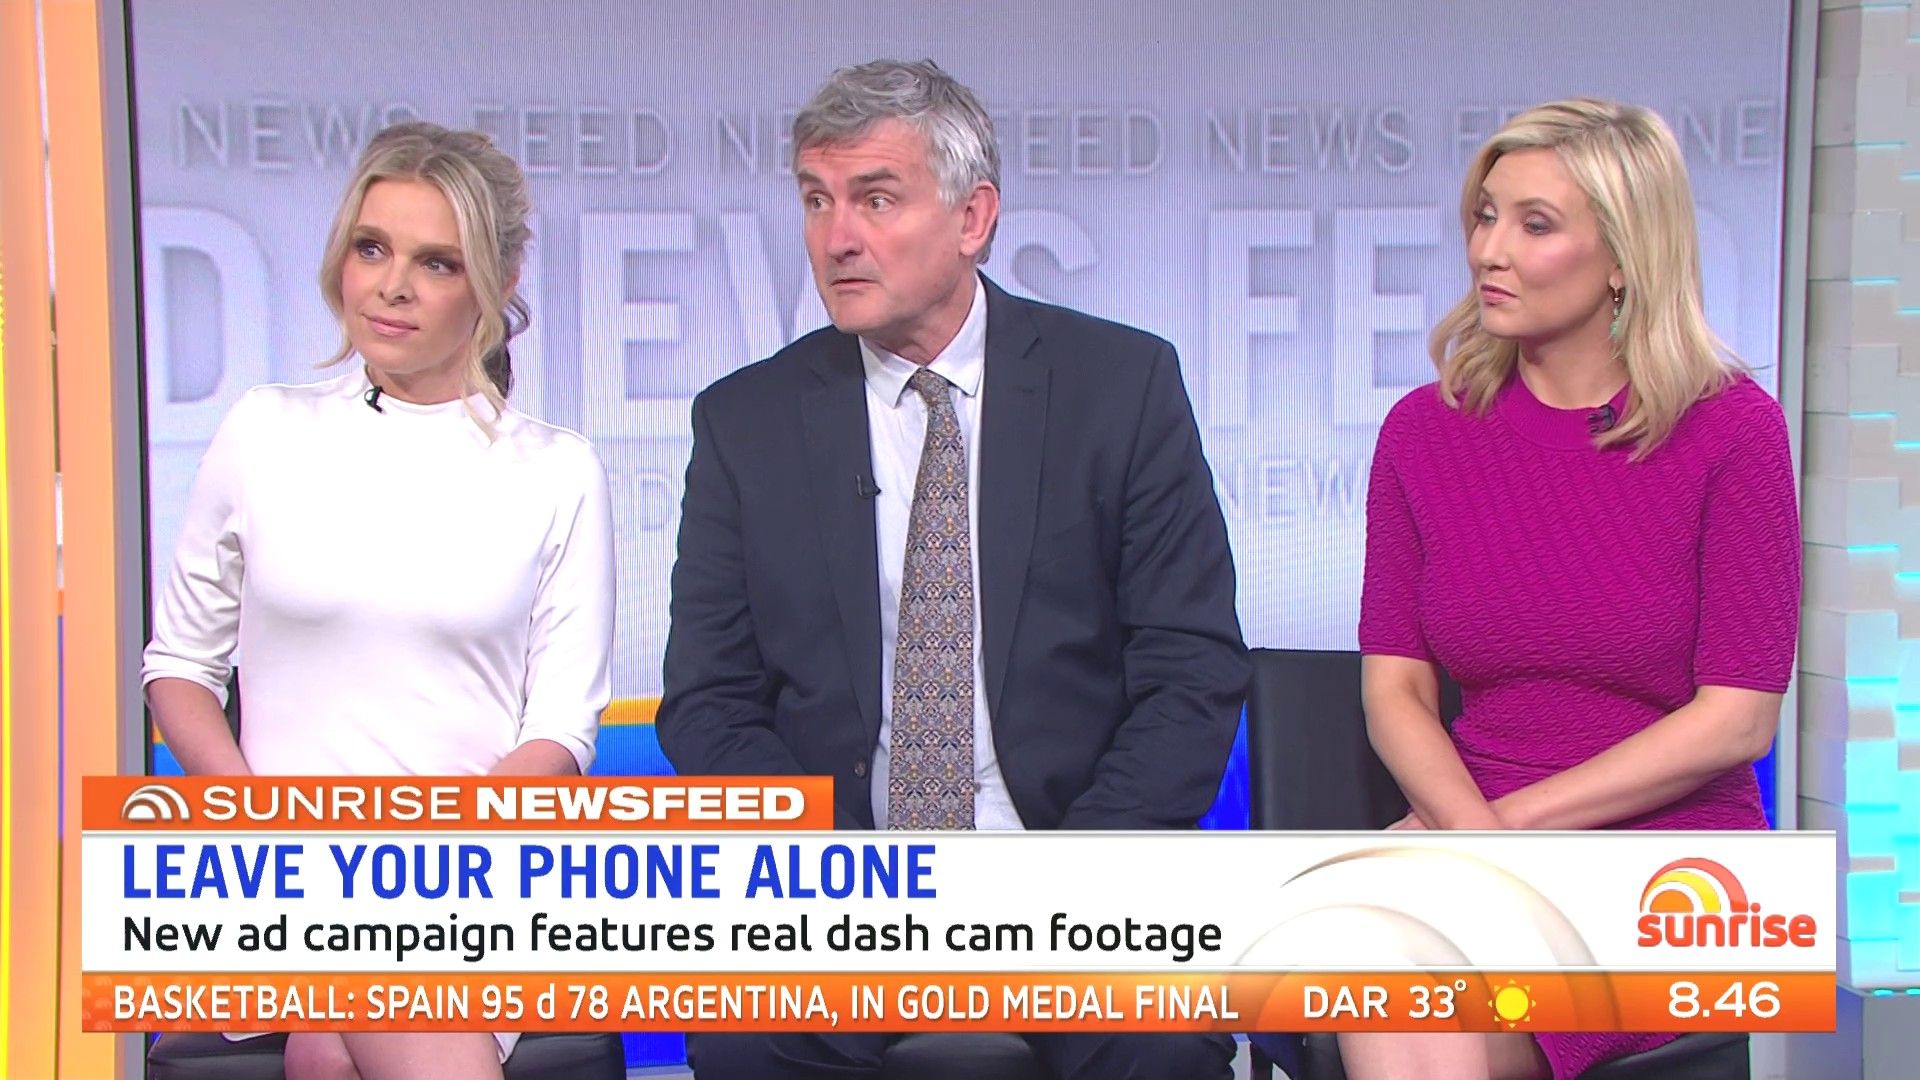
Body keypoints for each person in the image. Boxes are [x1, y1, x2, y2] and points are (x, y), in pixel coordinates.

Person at [657, 59, 1246, 1079]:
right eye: (816, 200)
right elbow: (709, 701)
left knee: (1157, 1040)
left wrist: (1068, 887)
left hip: (1079, 876)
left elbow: (1191, 673)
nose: (836, 237)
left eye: (876, 199)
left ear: (973, 218)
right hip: (840, 892)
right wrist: (836, 877)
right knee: (747, 1034)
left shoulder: (1120, 386)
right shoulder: (745, 422)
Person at [141, 121, 615, 1080]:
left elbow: (561, 732)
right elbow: (179, 668)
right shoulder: (264, 431)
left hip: (471, 881)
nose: (392, 285)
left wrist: (421, 865)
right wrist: (260, 823)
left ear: (494, 284)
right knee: (351, 1005)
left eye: (435, 262)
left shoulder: (556, 470)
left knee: (345, 1025)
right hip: (276, 867)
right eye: (372, 248)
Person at [1349, 99, 1800, 1079]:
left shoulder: (1733, 432)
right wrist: (1471, 837)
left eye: (1535, 225)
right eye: (1485, 216)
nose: (1490, 251)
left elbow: (1738, 721)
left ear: (1624, 258)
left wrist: (1493, 840)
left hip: (1677, 866)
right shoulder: (1424, 433)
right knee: (1379, 962)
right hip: (1472, 823)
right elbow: (1395, 691)